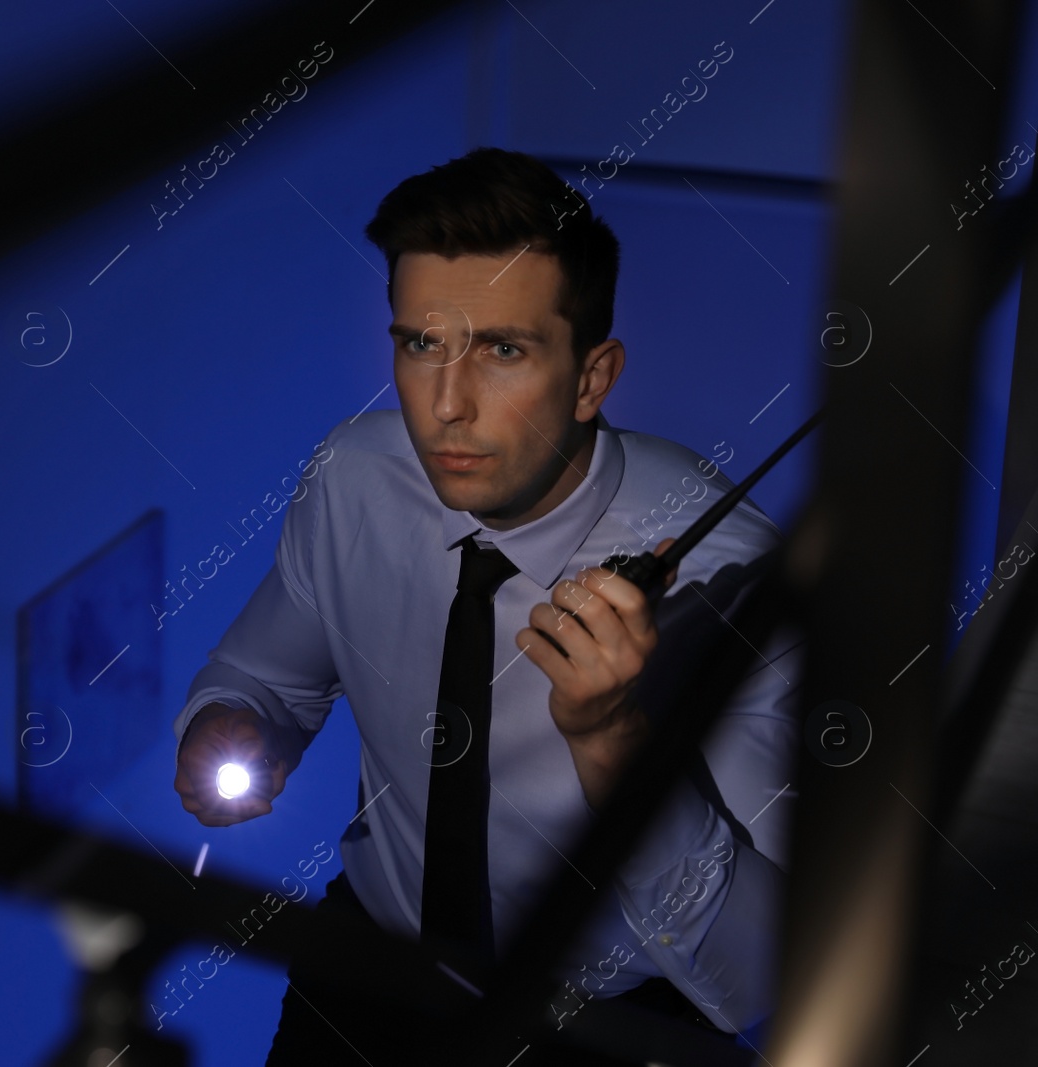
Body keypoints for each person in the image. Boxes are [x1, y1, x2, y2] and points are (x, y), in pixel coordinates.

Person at [170, 147, 802, 1065]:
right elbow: (268, 676)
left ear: (593, 377)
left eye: (503, 350)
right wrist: (232, 727)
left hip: (601, 1027)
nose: (446, 407)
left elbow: (763, 975)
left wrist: (614, 742)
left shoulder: (731, 578)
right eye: (421, 344)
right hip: (363, 982)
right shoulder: (356, 477)